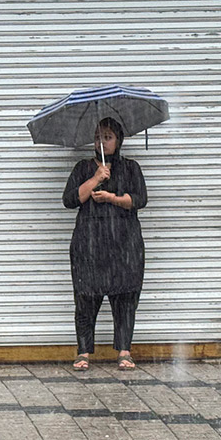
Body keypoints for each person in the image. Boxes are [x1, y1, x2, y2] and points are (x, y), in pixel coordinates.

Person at [62, 117, 148, 371]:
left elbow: (140, 200)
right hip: (89, 244)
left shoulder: (131, 168)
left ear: (118, 140)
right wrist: (95, 179)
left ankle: (124, 351)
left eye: (108, 137)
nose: (102, 141)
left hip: (124, 243)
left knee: (125, 297)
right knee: (86, 298)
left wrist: (112, 198)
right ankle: (83, 352)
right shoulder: (83, 168)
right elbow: (69, 200)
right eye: (98, 136)